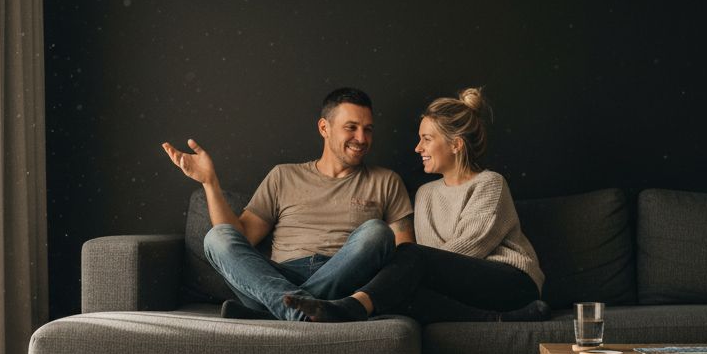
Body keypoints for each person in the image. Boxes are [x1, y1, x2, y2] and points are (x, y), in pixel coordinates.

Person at [284, 88, 549, 324]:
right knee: (398, 293)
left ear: (456, 144)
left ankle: (354, 305)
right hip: (459, 289)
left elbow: (468, 250)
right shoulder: (425, 193)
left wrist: (409, 270)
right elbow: (432, 261)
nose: (417, 147)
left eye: (426, 139)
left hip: (511, 282)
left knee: (407, 261)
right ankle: (495, 320)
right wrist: (404, 277)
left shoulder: (490, 183)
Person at [161, 88, 414, 321]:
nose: (361, 138)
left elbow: (405, 256)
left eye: (368, 129)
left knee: (377, 232)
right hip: (276, 277)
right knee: (216, 238)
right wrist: (210, 183)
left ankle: (277, 312)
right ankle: (303, 308)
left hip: (345, 278)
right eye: (351, 127)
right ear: (324, 128)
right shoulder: (283, 176)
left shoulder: (386, 181)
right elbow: (241, 236)